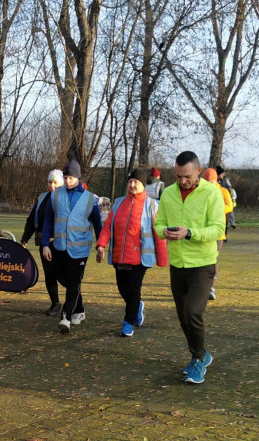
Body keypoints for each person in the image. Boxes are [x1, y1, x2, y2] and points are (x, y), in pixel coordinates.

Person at [153, 151, 225, 384]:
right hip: (177, 263)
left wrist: (190, 233)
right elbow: (158, 222)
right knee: (183, 316)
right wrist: (163, 231)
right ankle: (201, 354)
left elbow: (217, 230)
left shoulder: (212, 193)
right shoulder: (169, 193)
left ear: (199, 171)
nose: (182, 181)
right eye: (178, 176)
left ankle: (197, 359)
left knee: (193, 311)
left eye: (187, 176)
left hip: (203, 263)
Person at [95, 168, 168, 337]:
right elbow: (107, 227)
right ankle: (137, 308)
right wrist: (101, 245)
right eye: (130, 182)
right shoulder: (119, 203)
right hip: (119, 255)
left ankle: (128, 323)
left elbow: (159, 232)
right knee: (123, 289)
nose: (132, 185)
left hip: (140, 257)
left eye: (136, 182)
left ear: (143, 185)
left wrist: (162, 258)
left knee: (134, 289)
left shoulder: (152, 205)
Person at [42, 160, 103, 333]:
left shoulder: (90, 198)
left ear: (78, 178)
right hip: (59, 247)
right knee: (67, 282)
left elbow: (98, 225)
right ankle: (80, 310)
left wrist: (101, 246)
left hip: (80, 250)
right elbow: (48, 221)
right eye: (66, 177)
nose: (68, 181)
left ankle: (65, 317)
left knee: (74, 283)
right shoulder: (55, 195)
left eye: (71, 178)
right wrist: (46, 244)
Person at [21, 169, 63, 314]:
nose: (52, 185)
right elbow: (32, 219)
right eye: (49, 182)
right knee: (49, 274)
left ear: (61, 183)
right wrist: (25, 238)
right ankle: (55, 303)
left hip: (61, 243)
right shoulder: (42, 198)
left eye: (55, 182)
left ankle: (75, 304)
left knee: (63, 276)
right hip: (44, 242)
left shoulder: (64, 199)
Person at [202, 168, 233, 301]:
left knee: (213, 259)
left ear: (216, 180)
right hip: (202, 231)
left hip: (217, 232)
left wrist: (216, 209)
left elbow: (230, 206)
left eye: (212, 181)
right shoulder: (199, 191)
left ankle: (211, 287)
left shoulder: (223, 191)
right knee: (202, 259)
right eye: (207, 181)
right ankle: (201, 286)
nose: (210, 184)